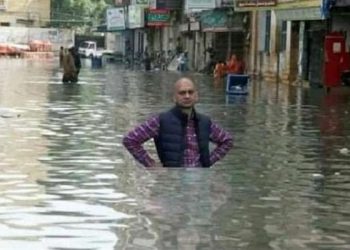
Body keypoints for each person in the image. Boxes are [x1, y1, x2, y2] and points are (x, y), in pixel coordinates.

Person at [123, 77, 233, 168]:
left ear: (196, 96)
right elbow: (130, 140)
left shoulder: (204, 122)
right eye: (182, 93)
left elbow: (227, 141)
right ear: (174, 97)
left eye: (190, 92)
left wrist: (207, 162)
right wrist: (151, 165)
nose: (187, 96)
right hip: (172, 181)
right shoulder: (161, 121)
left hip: (199, 182)